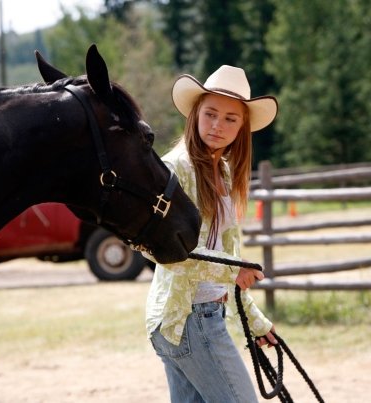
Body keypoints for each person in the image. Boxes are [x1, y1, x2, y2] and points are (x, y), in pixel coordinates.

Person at [145, 64, 279, 403]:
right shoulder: (175, 169)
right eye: (210, 114)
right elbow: (162, 250)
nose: (218, 125)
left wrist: (256, 322)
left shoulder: (225, 173)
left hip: (196, 317)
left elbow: (226, 261)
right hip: (188, 318)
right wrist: (234, 269)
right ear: (195, 114)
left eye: (231, 119)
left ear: (242, 128)